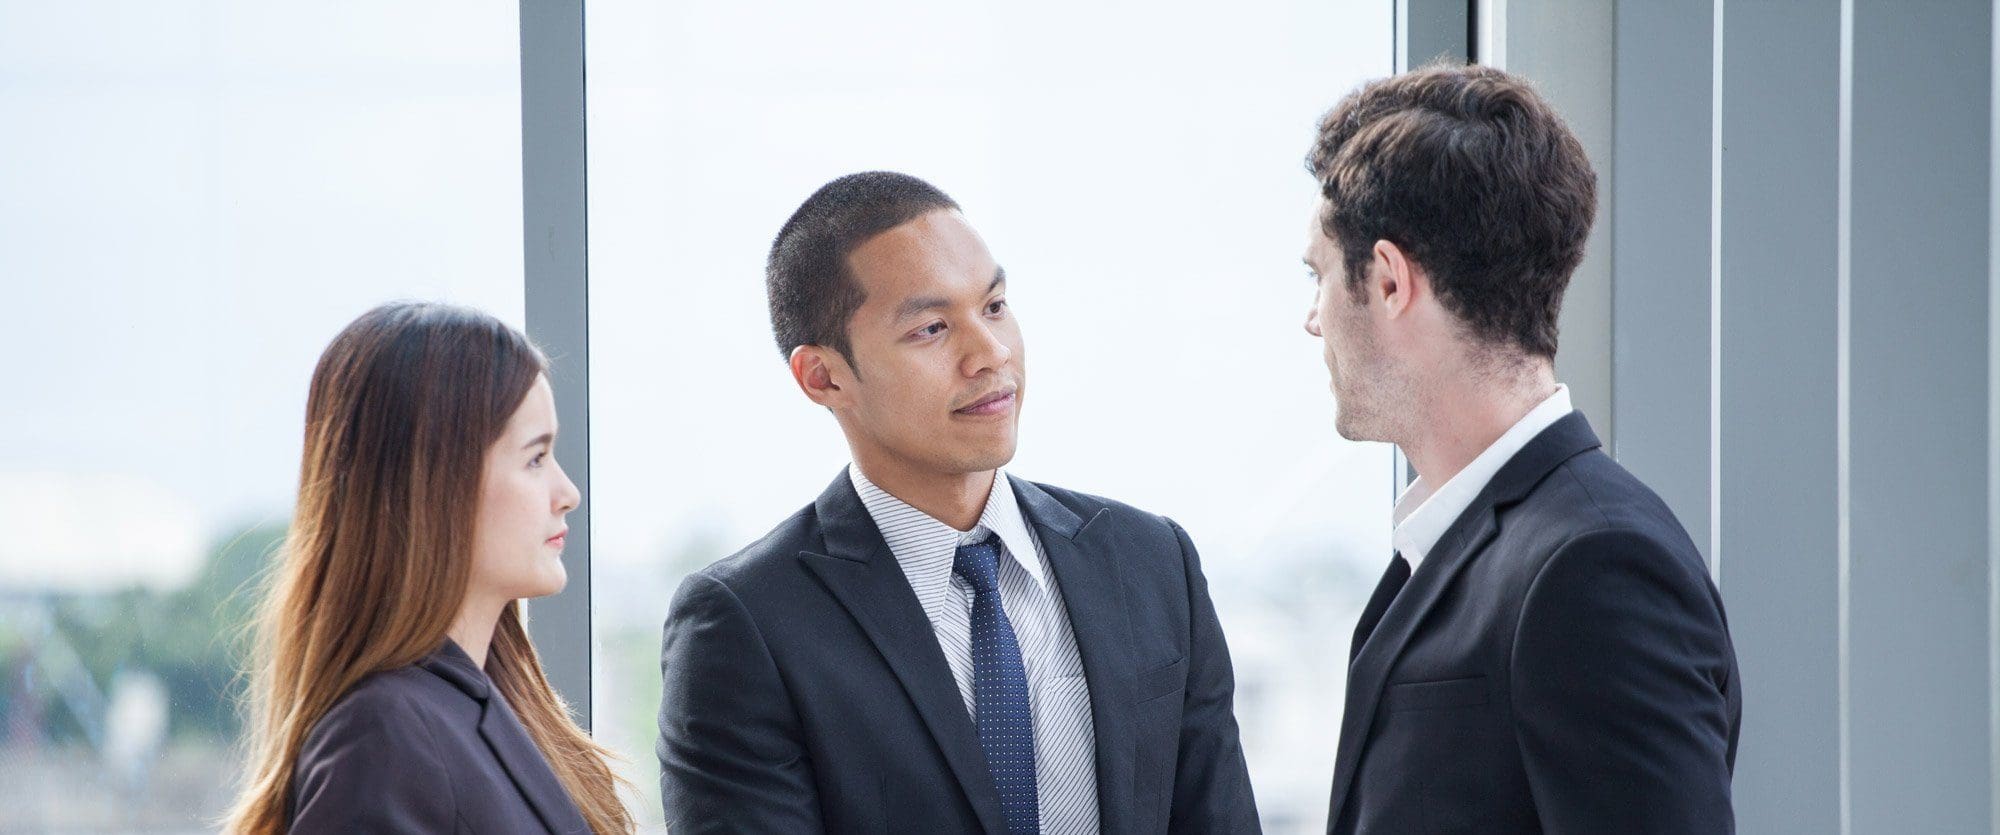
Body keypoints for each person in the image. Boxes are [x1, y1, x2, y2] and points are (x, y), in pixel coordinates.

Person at [656, 172, 1260, 833]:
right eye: (933, 327)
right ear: (823, 376)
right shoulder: (748, 623)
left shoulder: (1150, 562)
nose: (991, 353)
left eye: (995, 306)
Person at [1302, 64, 1743, 834]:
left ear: (1389, 280)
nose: (1312, 321)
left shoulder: (1595, 566)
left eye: (1318, 278)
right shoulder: (1466, 547)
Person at [226, 302, 631, 834]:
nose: (567, 493)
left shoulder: (491, 706)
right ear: (440, 484)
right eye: (536, 458)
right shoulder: (383, 737)